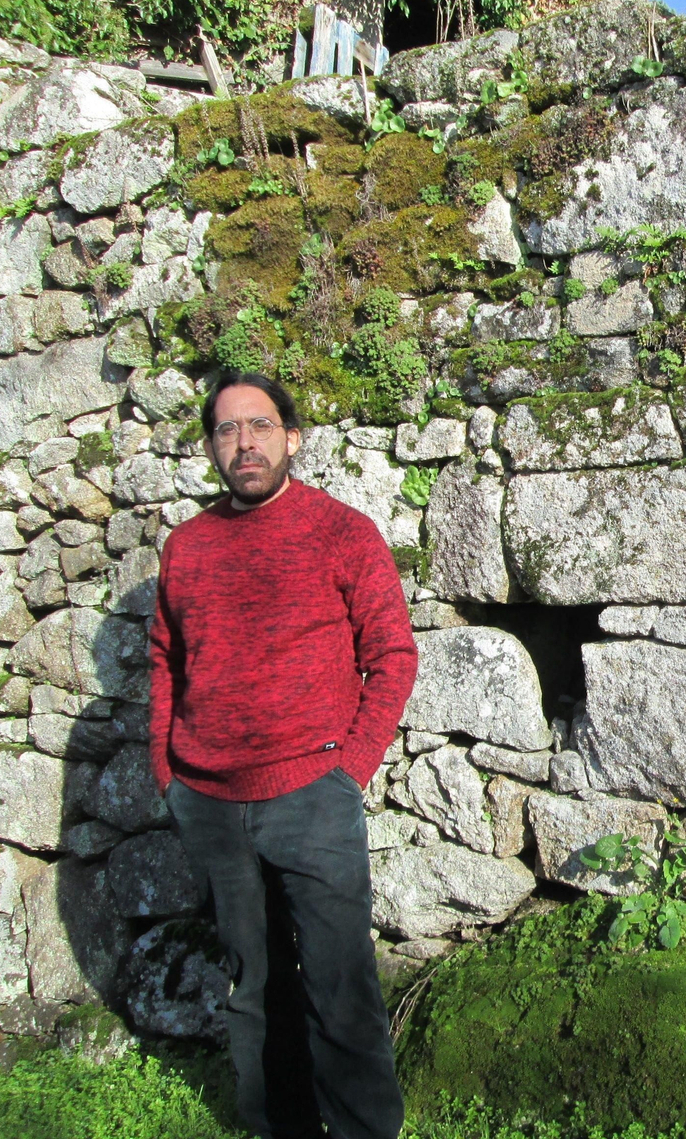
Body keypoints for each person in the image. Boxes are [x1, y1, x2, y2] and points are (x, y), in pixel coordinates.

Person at [149, 369, 418, 1139]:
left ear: (292, 438)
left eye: (260, 426)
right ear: (210, 447)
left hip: (311, 796)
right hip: (209, 801)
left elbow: (393, 655)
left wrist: (348, 770)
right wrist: (167, 772)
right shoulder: (188, 547)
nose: (245, 443)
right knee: (252, 989)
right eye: (228, 430)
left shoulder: (343, 532)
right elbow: (164, 659)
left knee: (341, 987)